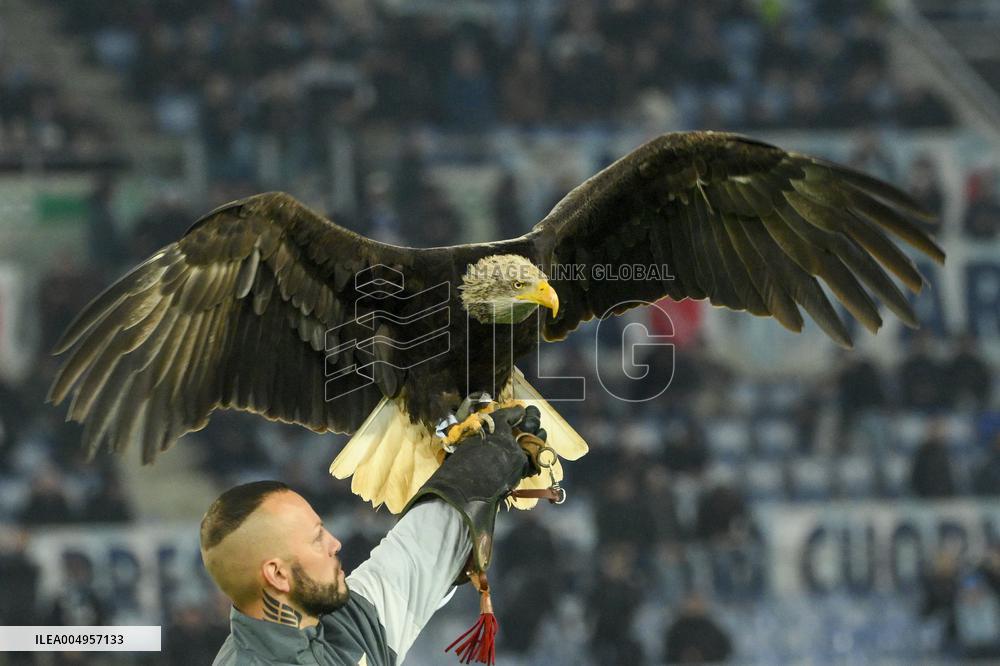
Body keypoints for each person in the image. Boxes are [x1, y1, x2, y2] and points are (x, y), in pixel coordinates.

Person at [201, 404, 543, 665]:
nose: (335, 543)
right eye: (317, 538)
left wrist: (490, 459)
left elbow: (418, 553)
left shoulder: (345, 624)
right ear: (277, 574)